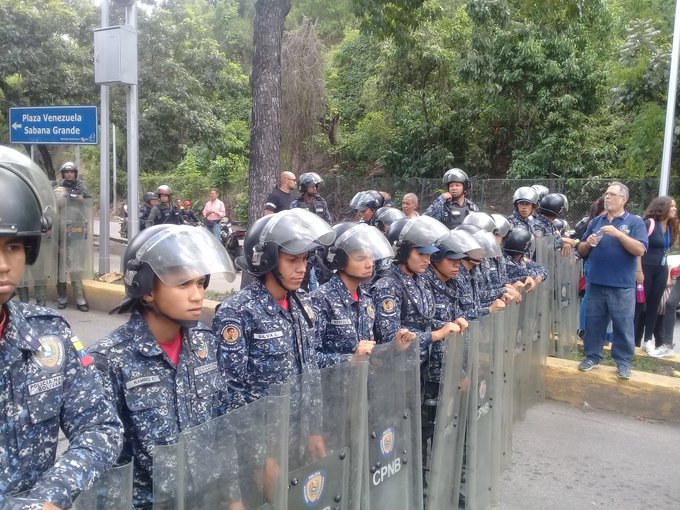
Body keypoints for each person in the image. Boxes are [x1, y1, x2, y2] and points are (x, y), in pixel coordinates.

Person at [0, 151, 123, 509]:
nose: (4, 265)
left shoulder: (47, 336)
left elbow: (101, 428)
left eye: (13, 246)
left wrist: (49, 497)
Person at [89, 224, 240, 509]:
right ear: (146, 290)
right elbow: (104, 466)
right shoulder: (109, 360)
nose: (197, 295)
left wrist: (232, 498)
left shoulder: (203, 344)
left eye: (200, 283)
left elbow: (223, 426)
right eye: (183, 284)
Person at [212, 208, 335, 407]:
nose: (302, 268)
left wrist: (314, 428)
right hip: (264, 432)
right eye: (292, 260)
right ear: (268, 260)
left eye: (304, 259)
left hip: (302, 426)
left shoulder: (302, 301)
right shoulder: (238, 312)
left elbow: (311, 367)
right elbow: (229, 391)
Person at [577, 182, 648, 379]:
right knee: (593, 324)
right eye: (606, 194)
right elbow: (581, 249)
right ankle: (592, 356)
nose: (607, 197)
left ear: (623, 199)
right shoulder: (596, 222)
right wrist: (587, 243)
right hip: (596, 283)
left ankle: (623, 362)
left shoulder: (634, 222)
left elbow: (640, 250)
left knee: (623, 325)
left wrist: (618, 234)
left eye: (612, 194)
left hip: (621, 285)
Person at [372, 216, 459, 366]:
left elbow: (424, 321)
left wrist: (448, 324)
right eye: (421, 254)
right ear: (403, 253)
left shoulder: (420, 280)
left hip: (421, 364)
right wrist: (436, 334)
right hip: (399, 370)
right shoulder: (387, 286)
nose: (427, 260)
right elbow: (390, 338)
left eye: (428, 254)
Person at [311, 223, 393, 368]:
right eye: (361, 258)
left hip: (362, 386)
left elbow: (370, 348)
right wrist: (350, 360)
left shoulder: (366, 299)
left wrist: (396, 345)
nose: (369, 264)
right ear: (339, 260)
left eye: (371, 257)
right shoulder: (321, 299)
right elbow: (310, 357)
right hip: (334, 387)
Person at [634, 196, 678, 355]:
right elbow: (638, 249)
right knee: (639, 305)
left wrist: (667, 273)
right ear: (662, 207)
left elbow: (666, 251)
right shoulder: (649, 224)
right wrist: (638, 271)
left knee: (654, 306)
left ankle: (647, 341)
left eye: (675, 206)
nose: (674, 209)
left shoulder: (671, 227)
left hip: (661, 270)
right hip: (645, 269)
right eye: (671, 206)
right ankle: (633, 341)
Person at [53, 161, 93, 312]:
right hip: (60, 229)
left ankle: (80, 299)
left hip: (76, 229)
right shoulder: (58, 187)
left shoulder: (81, 187)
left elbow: (89, 202)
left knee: (75, 266)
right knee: (60, 268)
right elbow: (52, 202)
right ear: (63, 174)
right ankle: (62, 298)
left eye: (72, 172)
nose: (69, 174)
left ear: (75, 173)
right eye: (66, 172)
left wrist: (83, 199)